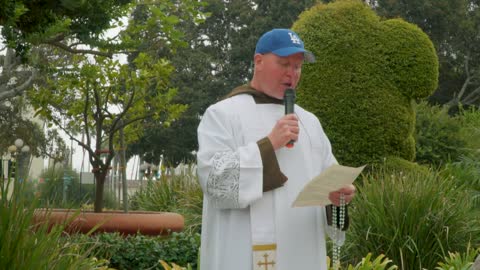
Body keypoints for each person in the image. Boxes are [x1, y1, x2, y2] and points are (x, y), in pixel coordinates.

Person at [196, 28, 356, 270]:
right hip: (241, 253)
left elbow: (328, 181)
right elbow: (216, 183)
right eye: (284, 63)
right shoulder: (222, 114)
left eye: (298, 66)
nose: (292, 73)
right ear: (258, 61)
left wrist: (338, 197)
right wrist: (270, 144)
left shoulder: (310, 123)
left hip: (303, 253)